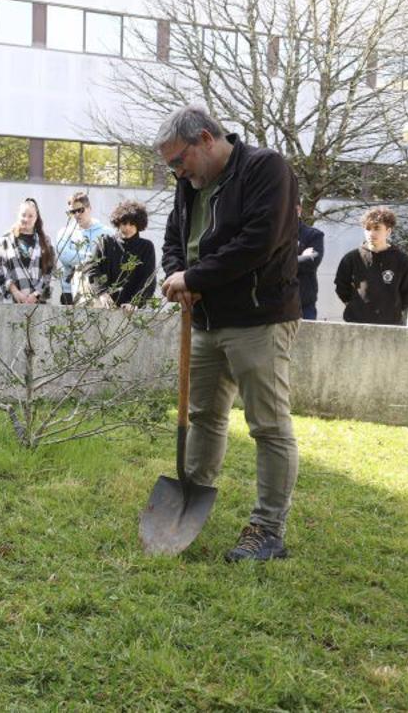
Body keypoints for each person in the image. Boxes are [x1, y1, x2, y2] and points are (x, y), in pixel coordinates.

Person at [157, 104, 300, 562]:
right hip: (204, 320)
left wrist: (195, 279)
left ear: (205, 138)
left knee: (268, 426)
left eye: (179, 160)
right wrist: (177, 273)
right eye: (171, 166)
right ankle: (190, 500)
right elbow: (174, 240)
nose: (177, 172)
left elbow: (259, 242)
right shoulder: (188, 183)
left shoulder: (265, 168)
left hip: (259, 318)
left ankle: (267, 528)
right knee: (204, 416)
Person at [333, 207, 408, 325]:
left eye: (377, 228)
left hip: (391, 325)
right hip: (356, 323)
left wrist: (394, 309)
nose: (371, 233)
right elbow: (341, 286)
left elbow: (407, 293)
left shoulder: (402, 261)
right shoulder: (352, 258)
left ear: (388, 231)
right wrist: (354, 306)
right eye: (368, 229)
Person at [80, 200, 157, 309]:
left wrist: (135, 303)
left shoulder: (146, 247)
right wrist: (102, 293)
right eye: (124, 223)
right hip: (104, 305)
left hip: (133, 308)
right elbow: (91, 268)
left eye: (132, 224)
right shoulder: (105, 242)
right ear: (118, 223)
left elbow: (149, 279)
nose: (127, 228)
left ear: (139, 225)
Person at [0, 198, 55, 304]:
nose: (26, 219)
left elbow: (50, 271)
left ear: (36, 218)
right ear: (18, 215)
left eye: (30, 216)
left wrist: (36, 294)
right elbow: (0, 269)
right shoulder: (5, 240)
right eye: (23, 215)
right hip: (11, 301)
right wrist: (15, 292)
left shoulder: (45, 241)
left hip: (37, 303)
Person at [55, 191, 111, 305]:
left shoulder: (107, 232)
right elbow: (65, 256)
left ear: (89, 208)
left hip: (100, 291)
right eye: (72, 212)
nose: (76, 215)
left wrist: (82, 258)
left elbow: (110, 260)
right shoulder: (64, 233)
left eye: (80, 210)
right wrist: (94, 258)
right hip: (70, 291)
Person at [296, 210, 325, 320]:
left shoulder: (313, 235)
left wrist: (280, 261)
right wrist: (301, 257)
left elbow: (312, 262)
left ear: (299, 209)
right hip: (274, 304)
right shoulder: (271, 233)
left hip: (304, 305)